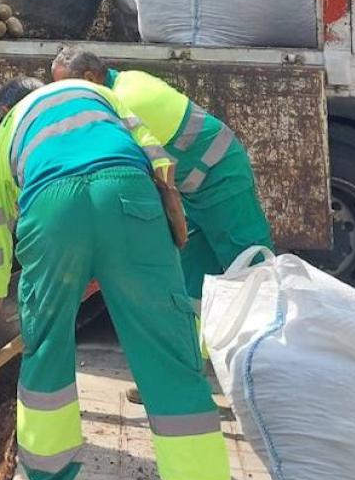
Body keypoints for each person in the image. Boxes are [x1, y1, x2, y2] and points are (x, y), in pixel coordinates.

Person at [0, 77, 258, 480]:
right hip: (131, 196)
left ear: (2, 111)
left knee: (46, 367)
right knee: (172, 372)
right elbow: (159, 164)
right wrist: (133, 249)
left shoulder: (6, 136)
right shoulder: (99, 97)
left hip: (51, 212)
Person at [50, 47, 273, 302]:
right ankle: (201, 339)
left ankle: (271, 333)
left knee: (250, 267)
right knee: (192, 274)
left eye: (66, 90)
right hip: (195, 188)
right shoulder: (126, 80)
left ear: (90, 79)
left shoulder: (125, 104)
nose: (64, 100)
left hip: (220, 178)